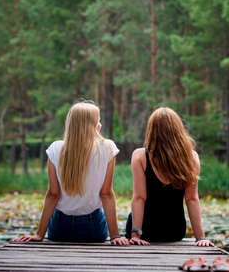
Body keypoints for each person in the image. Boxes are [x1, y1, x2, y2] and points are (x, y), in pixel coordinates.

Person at [15, 101, 128, 245]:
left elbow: (53, 194)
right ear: (93, 125)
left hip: (60, 229)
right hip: (93, 229)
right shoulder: (107, 148)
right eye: (98, 121)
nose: (100, 124)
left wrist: (39, 234)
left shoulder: (55, 149)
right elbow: (106, 194)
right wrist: (115, 236)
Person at [125, 107, 214, 247]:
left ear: (152, 130)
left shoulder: (139, 156)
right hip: (174, 231)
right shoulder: (192, 157)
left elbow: (139, 198)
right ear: (178, 130)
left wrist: (135, 235)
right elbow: (191, 199)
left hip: (145, 232)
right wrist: (200, 238)